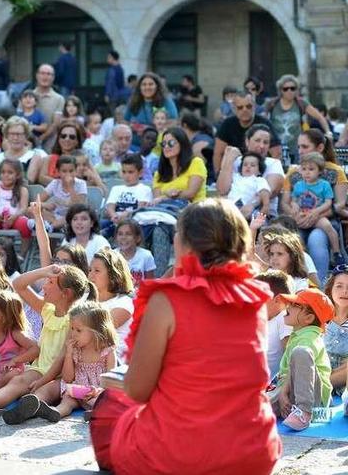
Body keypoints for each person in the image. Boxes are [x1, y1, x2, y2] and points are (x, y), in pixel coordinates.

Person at [89, 198, 281, 474]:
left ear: (186, 244)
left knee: (110, 408)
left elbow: (138, 389)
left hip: (181, 453)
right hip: (253, 450)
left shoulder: (167, 300)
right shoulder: (253, 298)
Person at [0, 264, 96, 422]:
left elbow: (62, 357)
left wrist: (43, 380)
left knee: (43, 391)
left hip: (62, 374)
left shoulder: (74, 319)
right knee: (18, 381)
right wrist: (44, 271)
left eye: (49, 282)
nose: (44, 286)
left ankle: (23, 411)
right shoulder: (48, 309)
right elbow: (18, 284)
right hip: (40, 368)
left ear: (66, 293)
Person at [12, 301, 118, 424]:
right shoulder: (76, 350)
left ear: (97, 330)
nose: (73, 334)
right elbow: (68, 378)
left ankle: (98, 412)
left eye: (78, 330)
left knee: (106, 400)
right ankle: (43, 409)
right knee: (65, 399)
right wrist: (68, 354)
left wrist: (98, 391)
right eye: (72, 328)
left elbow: (111, 380)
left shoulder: (107, 351)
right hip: (76, 388)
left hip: (97, 392)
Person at [281, 130, 348, 279]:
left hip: (326, 220)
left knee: (316, 239)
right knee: (293, 239)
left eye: (304, 147)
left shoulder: (335, 171)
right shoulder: (294, 173)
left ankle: (321, 286)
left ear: (319, 148)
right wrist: (296, 214)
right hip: (299, 219)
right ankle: (293, 284)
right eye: (298, 147)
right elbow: (285, 202)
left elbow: (339, 204)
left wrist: (315, 215)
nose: (300, 151)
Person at [273, 289, 334, 431]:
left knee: (301, 352)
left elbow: (299, 367)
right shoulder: (298, 334)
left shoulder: (309, 337)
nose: (288, 306)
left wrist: (283, 392)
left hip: (312, 398)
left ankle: (304, 412)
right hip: (291, 389)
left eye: (295, 305)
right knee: (254, 409)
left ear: (308, 319)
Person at [284, 152, 344, 267]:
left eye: (311, 169)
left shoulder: (324, 185)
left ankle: (337, 252)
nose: (307, 172)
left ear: (320, 171)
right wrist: (294, 205)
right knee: (291, 229)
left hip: (317, 216)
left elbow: (328, 202)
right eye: (304, 169)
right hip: (302, 214)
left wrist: (317, 211)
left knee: (327, 226)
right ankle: (300, 255)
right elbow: (293, 200)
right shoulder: (298, 185)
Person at [217, 124, 284, 216]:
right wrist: (229, 159)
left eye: (266, 142)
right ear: (247, 141)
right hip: (233, 212)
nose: (261, 146)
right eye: (257, 140)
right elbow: (222, 190)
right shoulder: (236, 161)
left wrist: (251, 205)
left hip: (261, 215)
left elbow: (270, 191)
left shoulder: (274, 163)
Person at [267, 74, 331, 164]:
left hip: (297, 147)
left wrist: (328, 132)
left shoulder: (301, 103)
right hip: (276, 149)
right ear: (281, 90)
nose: (289, 91)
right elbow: (264, 122)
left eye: (292, 88)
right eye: (285, 89)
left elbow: (320, 117)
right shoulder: (272, 104)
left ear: (296, 90)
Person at [213, 90, 280, 174]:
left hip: (261, 171)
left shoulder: (265, 123)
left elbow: (276, 153)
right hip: (234, 172)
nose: (244, 110)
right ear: (234, 109)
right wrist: (218, 175)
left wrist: (271, 174)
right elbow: (218, 153)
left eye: (248, 106)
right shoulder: (227, 124)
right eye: (240, 107)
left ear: (255, 106)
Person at [88, 248, 135, 362]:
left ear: (113, 275)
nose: (90, 275)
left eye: (97, 271)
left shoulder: (124, 304)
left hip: (112, 367)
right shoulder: (84, 299)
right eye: (90, 270)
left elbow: (93, 333)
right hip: (85, 363)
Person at [0, 159, 32, 252]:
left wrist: (14, 217)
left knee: (25, 224)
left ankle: (23, 253)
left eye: (10, 172)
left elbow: (23, 208)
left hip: (15, 218)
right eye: (3, 172)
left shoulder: (22, 189)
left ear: (18, 175)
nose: (5, 175)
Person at [152, 127, 207, 205]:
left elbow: (191, 193)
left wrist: (166, 196)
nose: (166, 147)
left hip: (194, 211)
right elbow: (156, 199)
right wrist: (168, 195)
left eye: (171, 143)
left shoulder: (195, 163)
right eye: (163, 144)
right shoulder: (159, 172)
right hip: (166, 211)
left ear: (182, 144)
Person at [101, 154, 151, 237]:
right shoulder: (116, 188)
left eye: (130, 172)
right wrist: (114, 216)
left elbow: (141, 207)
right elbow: (110, 206)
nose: (126, 176)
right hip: (115, 219)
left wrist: (126, 214)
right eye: (124, 172)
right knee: (99, 224)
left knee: (126, 226)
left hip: (134, 222)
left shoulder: (144, 189)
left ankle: (108, 232)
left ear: (140, 173)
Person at [224, 152, 271, 220]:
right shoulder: (236, 177)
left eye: (252, 165)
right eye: (245, 165)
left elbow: (264, 192)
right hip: (230, 205)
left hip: (247, 206)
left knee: (255, 216)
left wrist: (266, 206)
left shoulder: (258, 180)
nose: (248, 167)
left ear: (259, 171)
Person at [324, 267, 348, 396]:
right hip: (316, 377)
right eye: (339, 286)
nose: (345, 291)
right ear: (330, 289)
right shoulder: (318, 318)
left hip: (342, 386)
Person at [114, 219, 156, 286]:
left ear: (138, 238)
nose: (123, 237)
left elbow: (150, 284)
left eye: (128, 234)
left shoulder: (146, 256)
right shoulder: (111, 256)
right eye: (120, 234)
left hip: (139, 295)